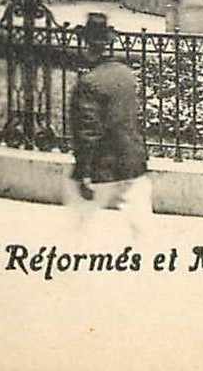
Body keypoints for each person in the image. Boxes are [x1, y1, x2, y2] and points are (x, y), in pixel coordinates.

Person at [65, 12, 150, 237]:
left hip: (102, 167)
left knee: (81, 227)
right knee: (141, 227)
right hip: (133, 161)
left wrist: (83, 172)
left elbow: (88, 132)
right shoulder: (127, 75)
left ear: (86, 46)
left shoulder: (89, 83)